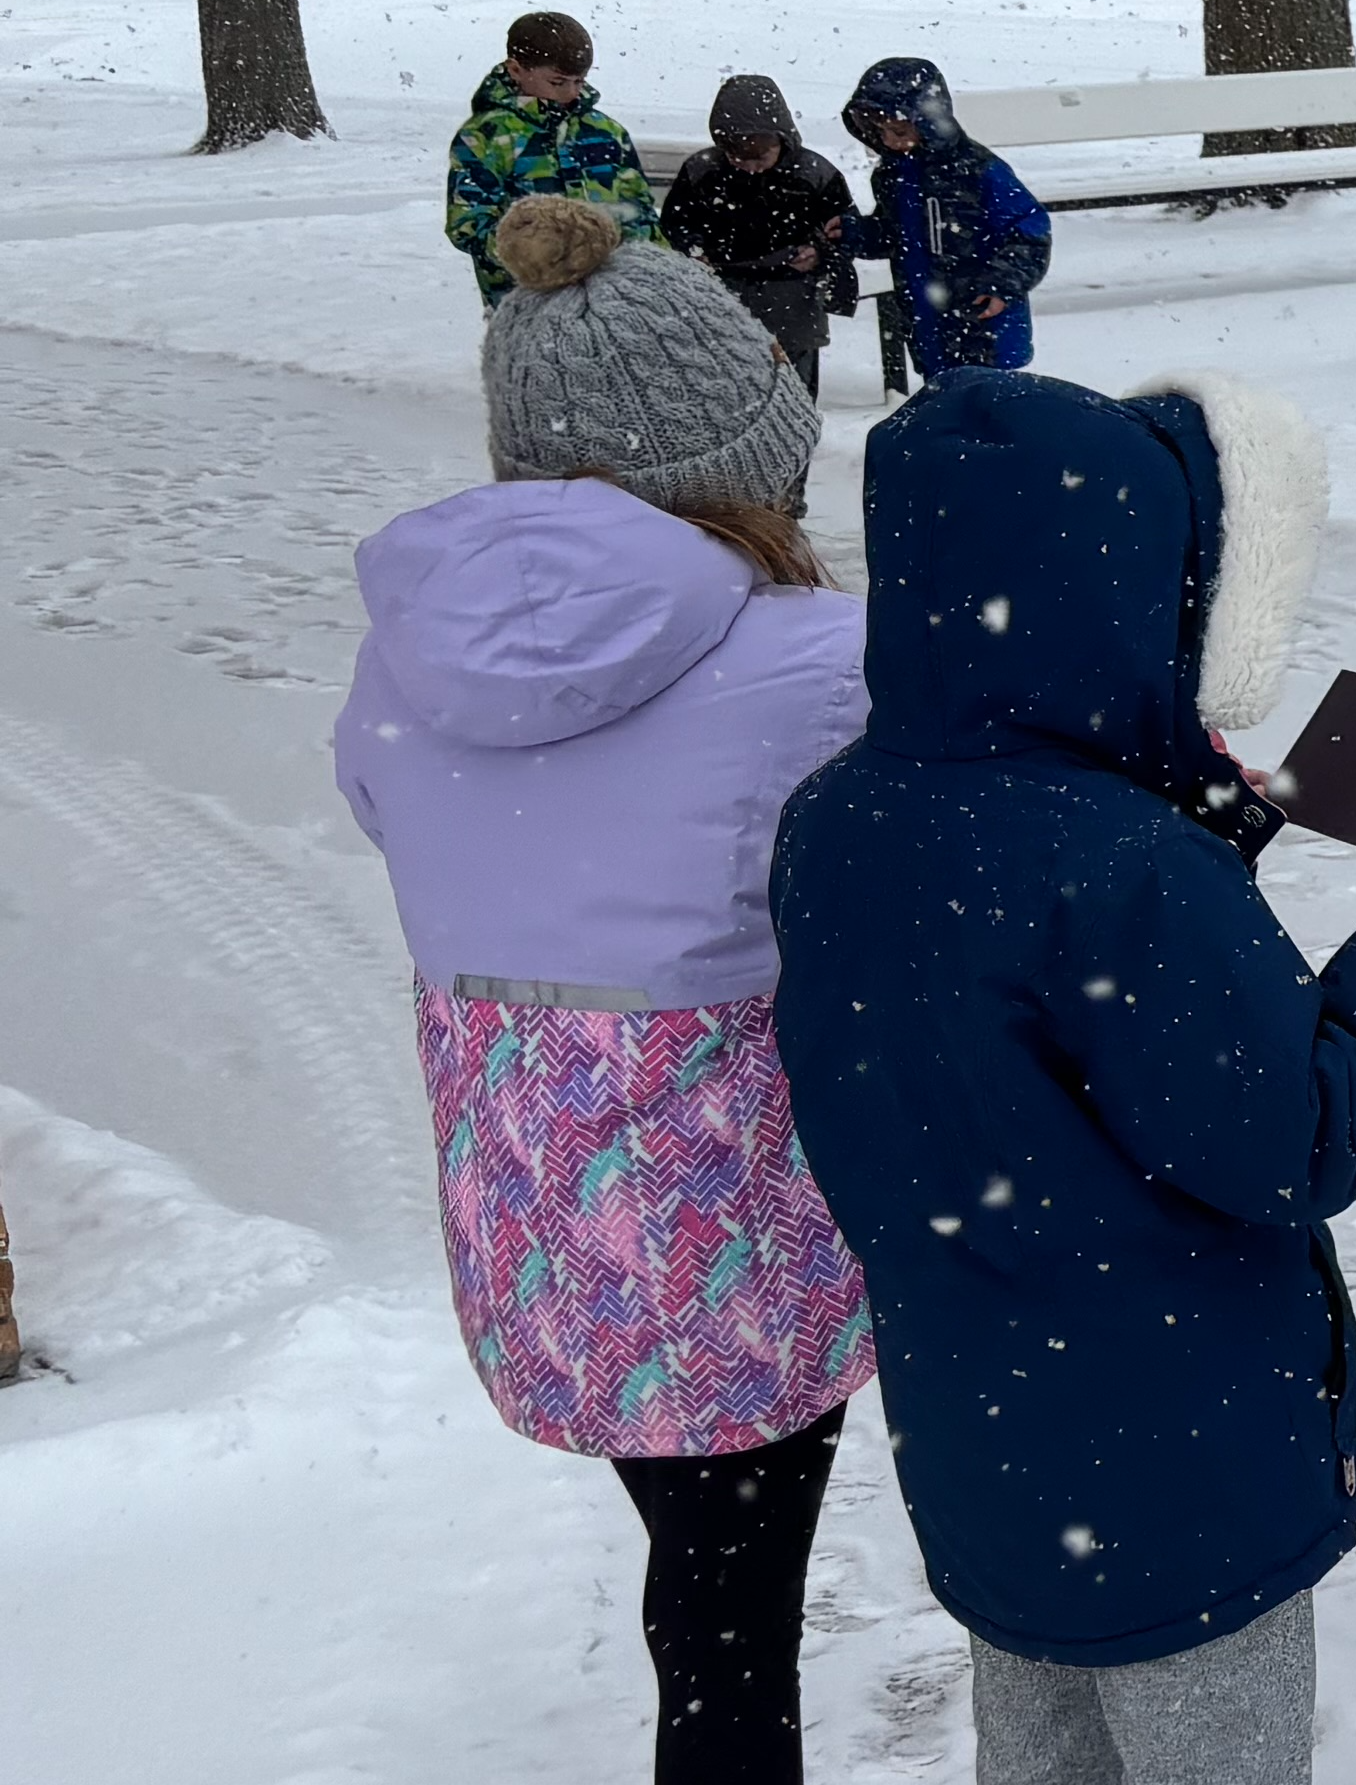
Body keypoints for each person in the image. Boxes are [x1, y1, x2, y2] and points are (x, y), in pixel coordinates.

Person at [771, 364, 1356, 1785]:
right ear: (1125, 594)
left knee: (1042, 1758)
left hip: (985, 1429)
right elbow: (1297, 1132)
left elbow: (1022, 964)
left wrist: (1206, 817)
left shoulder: (842, 816)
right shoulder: (1125, 869)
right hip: (1180, 1465)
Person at [342, 196, 864, 1785]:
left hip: (543, 1240)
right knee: (730, 1640)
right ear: (749, 458)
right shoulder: (825, 663)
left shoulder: (404, 664)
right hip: (737, 1256)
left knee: (707, 1607)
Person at [842, 58, 1048, 378]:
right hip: (928, 323)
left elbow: (1028, 230)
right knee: (945, 399)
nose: (890, 141)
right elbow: (894, 234)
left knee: (993, 408)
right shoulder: (892, 175)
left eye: (899, 130)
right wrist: (855, 233)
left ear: (927, 121)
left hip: (985, 321)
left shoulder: (978, 170)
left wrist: (1002, 283)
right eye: (879, 132)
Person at [660, 75, 858, 402]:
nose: (751, 168)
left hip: (793, 298)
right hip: (720, 293)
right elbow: (676, 222)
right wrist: (692, 250)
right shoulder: (702, 171)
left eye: (761, 157)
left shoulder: (814, 174)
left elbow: (845, 230)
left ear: (782, 140)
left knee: (793, 391)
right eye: (738, 158)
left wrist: (821, 252)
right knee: (721, 388)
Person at [445, 12, 659, 304]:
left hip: (614, 298)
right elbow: (468, 226)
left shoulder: (606, 132)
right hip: (525, 302)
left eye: (579, 82)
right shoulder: (486, 137)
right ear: (516, 70)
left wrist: (654, 270)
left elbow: (640, 214)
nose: (571, 93)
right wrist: (546, 256)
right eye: (558, 82)